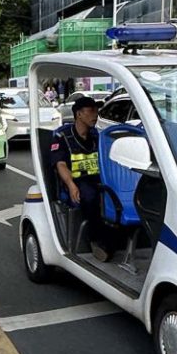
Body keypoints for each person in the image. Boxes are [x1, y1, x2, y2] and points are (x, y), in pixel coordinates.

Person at [51, 97, 113, 261]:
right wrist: (71, 185)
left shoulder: (97, 135)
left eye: (96, 110)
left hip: (99, 179)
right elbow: (61, 164)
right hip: (77, 181)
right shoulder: (62, 136)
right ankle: (95, 240)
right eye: (91, 111)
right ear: (79, 114)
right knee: (90, 196)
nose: (95, 115)